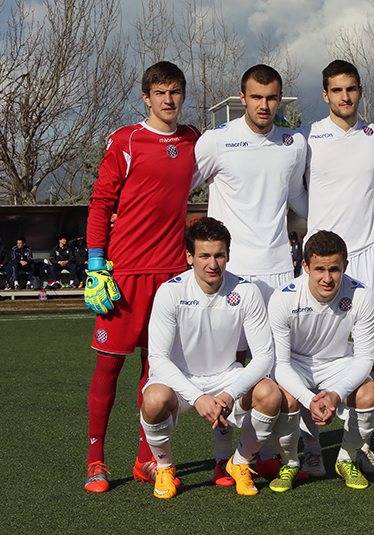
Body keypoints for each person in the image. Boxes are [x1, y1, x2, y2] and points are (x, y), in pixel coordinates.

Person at [83, 61, 200, 493]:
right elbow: (100, 204)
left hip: (172, 276)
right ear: (146, 97)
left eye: (176, 92)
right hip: (125, 275)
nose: (169, 100)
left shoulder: (192, 140)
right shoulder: (125, 140)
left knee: (157, 373)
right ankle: (96, 461)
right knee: (109, 367)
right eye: (160, 92)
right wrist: (96, 265)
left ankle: (146, 460)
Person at [193, 64, 309, 481]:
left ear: (280, 99)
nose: (264, 105)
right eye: (256, 97)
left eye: (272, 97)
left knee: (275, 373)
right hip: (230, 275)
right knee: (231, 369)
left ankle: (268, 452)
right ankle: (226, 454)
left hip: (279, 272)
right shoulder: (215, 142)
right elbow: (178, 189)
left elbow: (298, 198)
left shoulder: (293, 145)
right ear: (242, 98)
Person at [141, 217, 283, 498]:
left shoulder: (246, 291)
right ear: (189, 256)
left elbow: (265, 355)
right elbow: (157, 358)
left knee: (270, 394)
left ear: (228, 255)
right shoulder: (170, 292)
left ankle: (239, 463)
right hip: (180, 378)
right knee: (154, 400)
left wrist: (230, 394)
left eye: (219, 255)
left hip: (226, 376)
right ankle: (164, 467)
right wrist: (197, 397)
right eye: (204, 255)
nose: (213, 264)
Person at [297, 59, 374, 476]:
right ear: (325, 94)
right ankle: (310, 443)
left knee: (372, 352)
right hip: (321, 259)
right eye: (337, 90)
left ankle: (359, 443)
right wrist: (317, 223)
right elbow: (294, 193)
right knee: (311, 349)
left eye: (351, 89)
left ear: (360, 91)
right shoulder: (307, 138)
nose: (345, 97)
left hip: (367, 253)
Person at [268, 230, 374, 492]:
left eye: (335, 269)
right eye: (319, 269)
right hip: (296, 362)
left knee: (368, 393)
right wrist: (310, 398)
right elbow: (280, 365)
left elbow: (364, 358)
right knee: (286, 396)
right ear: (304, 266)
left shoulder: (361, 295)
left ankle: (346, 458)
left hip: (338, 361)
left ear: (346, 266)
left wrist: (336, 395)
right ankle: (295, 460)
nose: (327, 278)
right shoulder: (283, 297)